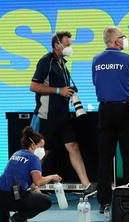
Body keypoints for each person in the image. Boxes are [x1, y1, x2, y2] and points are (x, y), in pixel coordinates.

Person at [30, 31, 95, 196]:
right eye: (66, 44)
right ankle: (29, 185)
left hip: (63, 116)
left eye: (70, 44)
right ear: (56, 45)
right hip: (47, 116)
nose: (69, 47)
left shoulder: (63, 64)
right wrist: (58, 90)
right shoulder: (46, 62)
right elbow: (34, 86)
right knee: (42, 152)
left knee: (73, 146)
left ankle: (86, 185)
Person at [92, 26, 129, 212]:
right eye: (122, 37)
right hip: (125, 110)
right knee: (128, 157)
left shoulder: (96, 60)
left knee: (105, 158)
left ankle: (104, 201)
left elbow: (97, 83)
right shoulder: (127, 59)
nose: (124, 39)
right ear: (115, 41)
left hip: (105, 111)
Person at [0, 126, 59, 222]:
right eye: (41, 146)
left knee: (10, 187)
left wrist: (35, 189)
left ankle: (3, 219)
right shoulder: (34, 158)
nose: (43, 149)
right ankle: (18, 218)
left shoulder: (17, 153)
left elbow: (18, 178)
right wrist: (52, 176)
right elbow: (38, 181)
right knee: (47, 201)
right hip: (11, 197)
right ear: (33, 145)